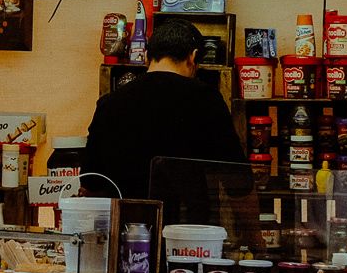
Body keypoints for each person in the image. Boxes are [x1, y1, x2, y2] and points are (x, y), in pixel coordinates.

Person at [82, 16, 245, 215]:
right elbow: (238, 182)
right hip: (188, 233)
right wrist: (254, 238)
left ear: (146, 55)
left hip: (127, 230)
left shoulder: (109, 103)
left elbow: (91, 180)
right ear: (193, 57)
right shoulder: (206, 99)